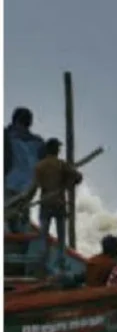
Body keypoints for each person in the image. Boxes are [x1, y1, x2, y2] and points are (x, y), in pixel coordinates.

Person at [15, 138, 83, 273]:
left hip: (45, 203)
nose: (59, 150)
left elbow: (33, 188)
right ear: (55, 150)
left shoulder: (40, 166)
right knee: (61, 238)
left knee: (43, 237)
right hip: (59, 203)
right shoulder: (61, 165)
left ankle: (41, 264)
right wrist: (67, 183)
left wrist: (25, 201)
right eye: (58, 148)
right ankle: (60, 264)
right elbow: (78, 177)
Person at [4, 107, 44, 232]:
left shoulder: (7, 135)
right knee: (19, 217)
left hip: (12, 186)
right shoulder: (38, 142)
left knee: (11, 216)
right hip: (27, 189)